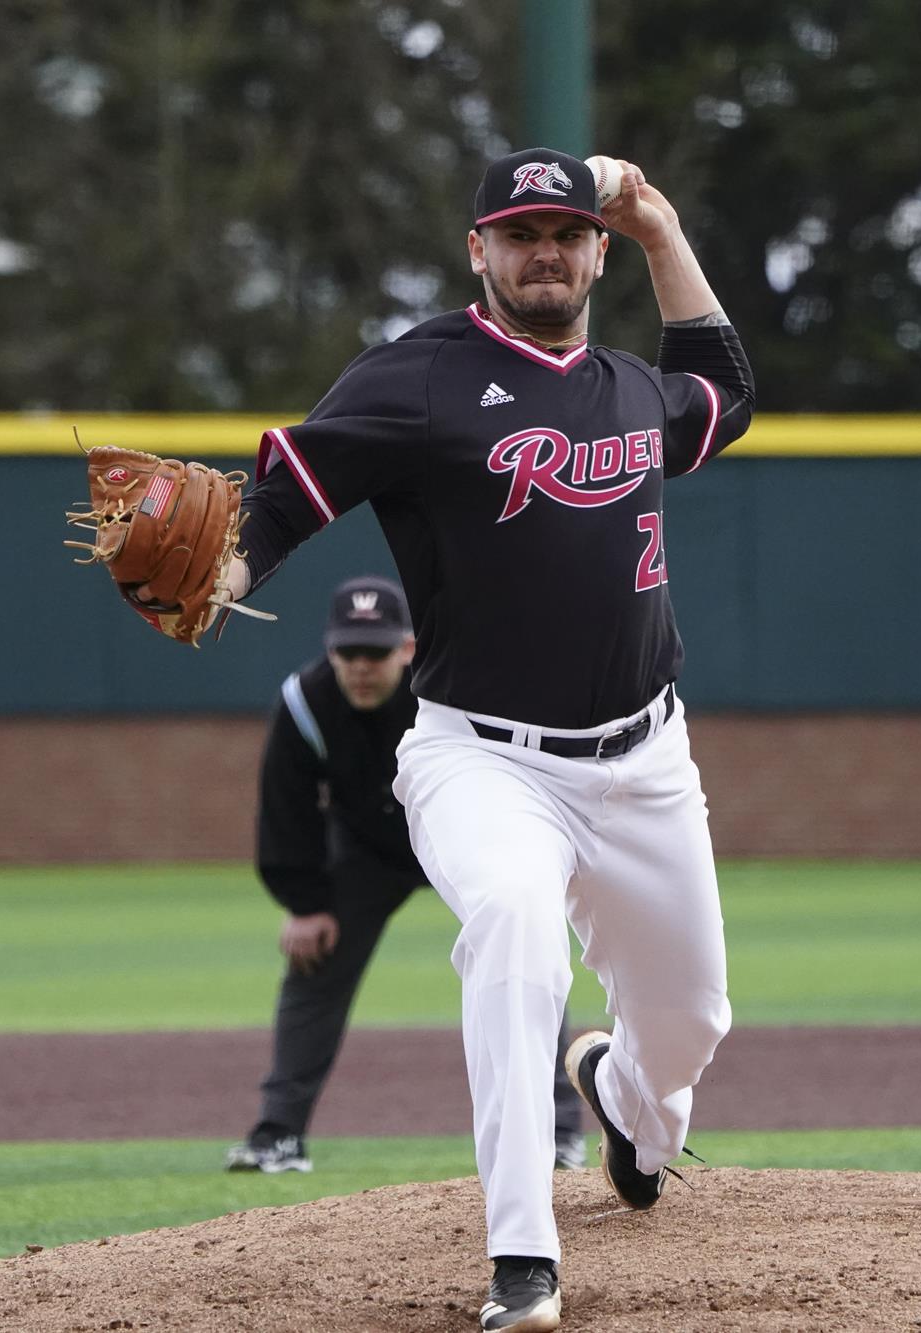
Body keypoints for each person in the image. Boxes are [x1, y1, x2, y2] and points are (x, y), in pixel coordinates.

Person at [173, 147, 752, 1330]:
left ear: (593, 253)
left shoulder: (629, 389)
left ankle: (623, 1102)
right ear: (475, 250)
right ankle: (520, 1255)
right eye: (518, 233)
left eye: (564, 233)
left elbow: (727, 395)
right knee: (513, 928)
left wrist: (658, 226)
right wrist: (226, 570)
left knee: (690, 1023)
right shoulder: (419, 378)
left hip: (646, 761)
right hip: (480, 759)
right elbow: (289, 492)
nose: (543, 252)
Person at [225, 574, 588, 1176]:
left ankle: (559, 1133)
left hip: (462, 839)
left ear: (407, 648)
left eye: (376, 652)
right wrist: (304, 901)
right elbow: (285, 807)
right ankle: (277, 1135)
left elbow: (517, 767)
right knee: (314, 965)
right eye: (349, 652)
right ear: (330, 649)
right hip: (369, 853)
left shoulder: (448, 689)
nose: (361, 667)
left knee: (522, 952)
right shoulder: (304, 701)